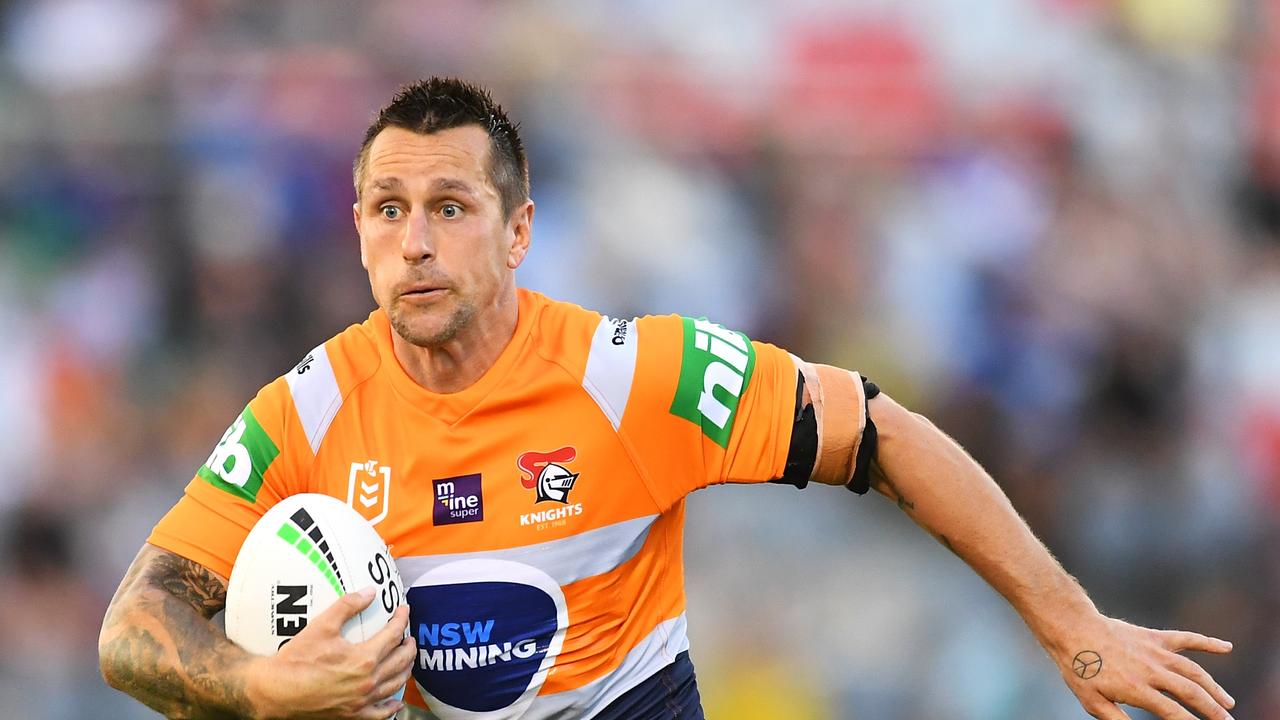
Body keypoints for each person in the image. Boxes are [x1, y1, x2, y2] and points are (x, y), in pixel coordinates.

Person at [98, 77, 1236, 720]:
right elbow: (133, 629)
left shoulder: (632, 378)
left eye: (451, 206)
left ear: (519, 233)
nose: (415, 242)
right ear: (355, 232)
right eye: (386, 208)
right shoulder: (305, 413)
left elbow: (883, 433)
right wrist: (259, 684)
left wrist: (1069, 624)